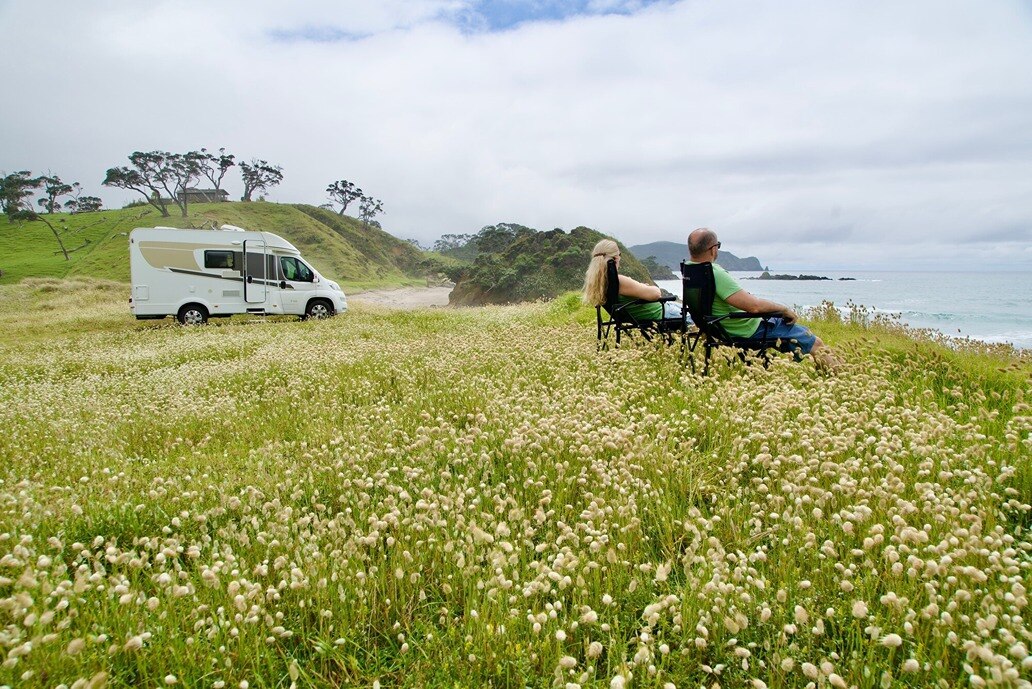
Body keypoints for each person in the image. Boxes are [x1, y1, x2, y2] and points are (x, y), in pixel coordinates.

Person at [687, 227, 842, 371]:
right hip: (747, 328)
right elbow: (754, 307)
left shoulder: (690, 270)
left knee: (803, 336)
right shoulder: (714, 273)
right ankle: (840, 376)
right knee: (815, 343)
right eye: (718, 245)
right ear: (713, 249)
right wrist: (783, 309)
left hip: (719, 327)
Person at [583, 238, 684, 321]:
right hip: (662, 313)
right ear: (615, 258)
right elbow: (656, 294)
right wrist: (644, 287)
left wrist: (639, 288)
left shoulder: (601, 283)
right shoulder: (619, 281)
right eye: (619, 255)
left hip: (656, 312)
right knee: (698, 319)